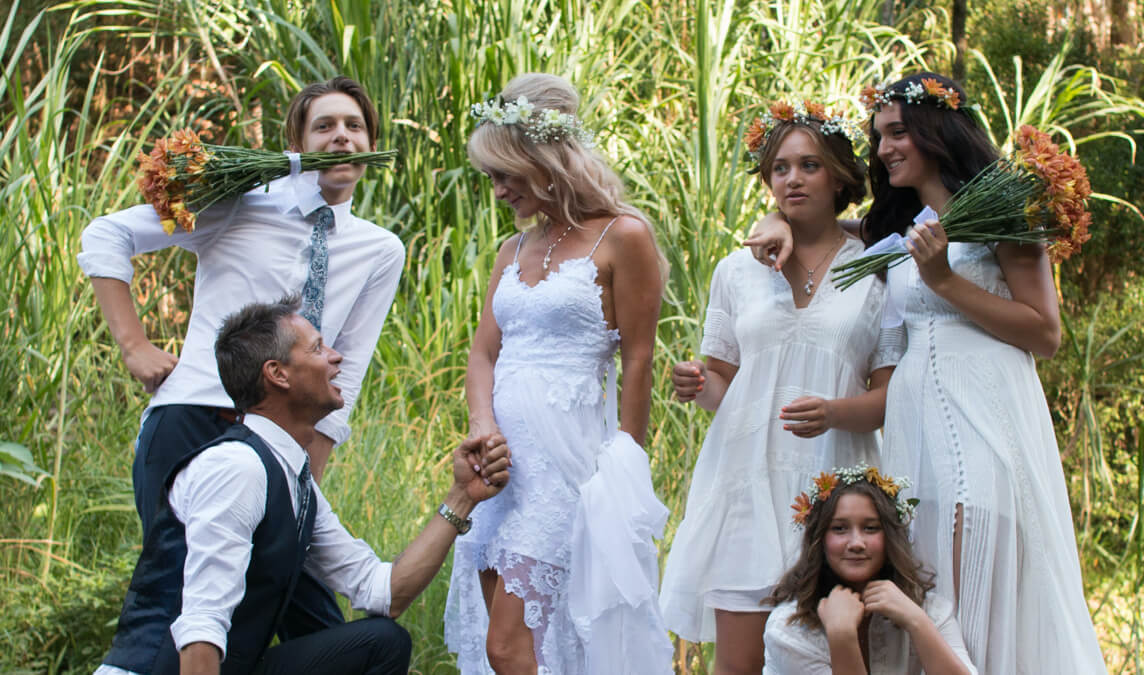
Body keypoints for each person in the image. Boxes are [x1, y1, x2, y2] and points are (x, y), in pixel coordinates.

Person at [747, 73, 1107, 672]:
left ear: (936, 132)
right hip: (915, 431)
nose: (885, 148)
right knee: (930, 578)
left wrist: (945, 282)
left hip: (985, 413)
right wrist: (777, 223)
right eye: (879, 136)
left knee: (979, 571)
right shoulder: (900, 229)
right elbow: (826, 231)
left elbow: (1045, 334)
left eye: (897, 133)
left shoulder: (1004, 211)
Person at [77, 76, 404, 636]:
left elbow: (350, 360)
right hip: (192, 419)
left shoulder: (380, 250)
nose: (342, 138)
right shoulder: (239, 205)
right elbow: (108, 235)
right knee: (180, 610)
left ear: (370, 144)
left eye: (354, 127)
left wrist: (311, 464)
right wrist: (134, 345)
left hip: (280, 440)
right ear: (296, 146)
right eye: (323, 126)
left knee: (312, 620)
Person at [94, 295, 511, 675]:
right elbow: (201, 626)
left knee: (381, 644)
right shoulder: (237, 467)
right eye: (316, 349)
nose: (336, 358)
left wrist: (463, 496)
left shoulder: (293, 479)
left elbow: (382, 591)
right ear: (277, 374)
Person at [658, 99, 900, 675]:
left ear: (840, 174)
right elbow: (724, 382)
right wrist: (698, 384)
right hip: (743, 483)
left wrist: (836, 411)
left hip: (833, 497)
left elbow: (889, 400)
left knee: (837, 662)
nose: (792, 179)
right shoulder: (735, 271)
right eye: (780, 167)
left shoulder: (877, 268)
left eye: (810, 165)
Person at [442, 73, 672, 674]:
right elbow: (483, 353)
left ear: (543, 162)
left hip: (564, 463)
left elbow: (639, 358)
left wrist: (627, 462)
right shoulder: (511, 251)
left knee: (508, 646)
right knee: (513, 646)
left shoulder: (624, 236)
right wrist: (481, 423)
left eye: (504, 176)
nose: (497, 193)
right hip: (500, 468)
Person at [762, 465, 975, 675]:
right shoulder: (790, 630)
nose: (856, 543)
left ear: (890, 537)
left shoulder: (930, 610)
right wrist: (842, 636)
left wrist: (917, 621)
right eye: (839, 528)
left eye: (870, 528)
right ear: (820, 539)